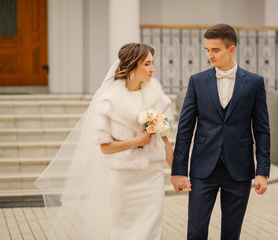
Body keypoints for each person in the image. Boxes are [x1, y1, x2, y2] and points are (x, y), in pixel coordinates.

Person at [35, 43, 174, 240]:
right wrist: (136, 141)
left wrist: (177, 174)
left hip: (153, 176)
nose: (153, 69)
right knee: (122, 230)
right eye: (147, 64)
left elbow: (166, 141)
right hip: (124, 179)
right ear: (133, 66)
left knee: (152, 230)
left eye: (152, 63)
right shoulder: (108, 101)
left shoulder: (157, 98)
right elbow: (105, 147)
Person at [171, 24, 271, 240]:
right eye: (207, 50)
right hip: (202, 168)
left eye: (215, 50)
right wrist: (179, 171)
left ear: (231, 49)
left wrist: (262, 171)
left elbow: (262, 130)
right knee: (196, 232)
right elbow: (185, 128)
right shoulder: (197, 82)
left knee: (231, 233)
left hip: (239, 169)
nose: (209, 55)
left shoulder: (254, 83)